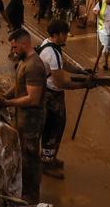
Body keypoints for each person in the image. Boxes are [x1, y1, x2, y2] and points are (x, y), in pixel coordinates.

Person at [36, 19, 95, 179]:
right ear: (56, 35)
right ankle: (46, 162)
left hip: (51, 93)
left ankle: (50, 157)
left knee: (57, 126)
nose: (66, 37)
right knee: (53, 128)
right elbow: (60, 81)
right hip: (50, 95)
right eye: (64, 34)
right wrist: (83, 85)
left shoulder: (50, 45)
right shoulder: (51, 53)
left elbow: (64, 63)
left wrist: (81, 71)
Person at [0, 28, 48, 204]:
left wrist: (8, 104)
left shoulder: (34, 66)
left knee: (30, 158)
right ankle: (25, 190)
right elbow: (19, 87)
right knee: (23, 156)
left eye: (15, 47)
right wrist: (4, 96)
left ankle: (32, 196)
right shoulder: (24, 62)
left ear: (24, 43)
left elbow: (33, 99)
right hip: (23, 119)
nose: (13, 50)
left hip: (32, 121)